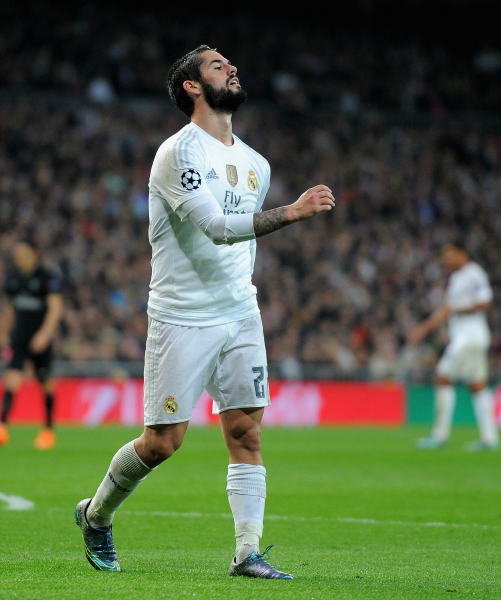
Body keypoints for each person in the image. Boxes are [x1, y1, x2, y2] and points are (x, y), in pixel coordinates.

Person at [74, 45, 335, 579]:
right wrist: (293, 211)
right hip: (183, 316)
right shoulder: (178, 154)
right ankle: (96, 515)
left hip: (240, 311)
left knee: (247, 432)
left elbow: (242, 246)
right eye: (218, 66)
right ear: (192, 86)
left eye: (232, 64)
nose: (232, 68)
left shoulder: (256, 163)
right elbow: (216, 229)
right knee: (162, 443)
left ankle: (247, 554)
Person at [408, 241, 499, 451]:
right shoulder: (456, 278)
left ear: (462, 253)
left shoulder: (474, 273)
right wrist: (422, 330)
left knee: (442, 375)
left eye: (450, 253)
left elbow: (485, 302)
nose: (446, 258)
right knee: (477, 385)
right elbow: (445, 311)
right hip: (469, 338)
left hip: (470, 337)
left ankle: (440, 435)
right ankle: (489, 438)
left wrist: (458, 308)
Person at [0, 239, 64, 449]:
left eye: (23, 253)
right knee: (11, 378)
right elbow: (10, 309)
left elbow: (55, 308)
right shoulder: (15, 279)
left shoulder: (47, 277)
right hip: (20, 337)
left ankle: (48, 430)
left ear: (34, 253)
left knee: (45, 382)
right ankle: (1, 427)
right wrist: (2, 331)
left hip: (40, 338)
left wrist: (45, 335)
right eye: (17, 254)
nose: (19, 258)